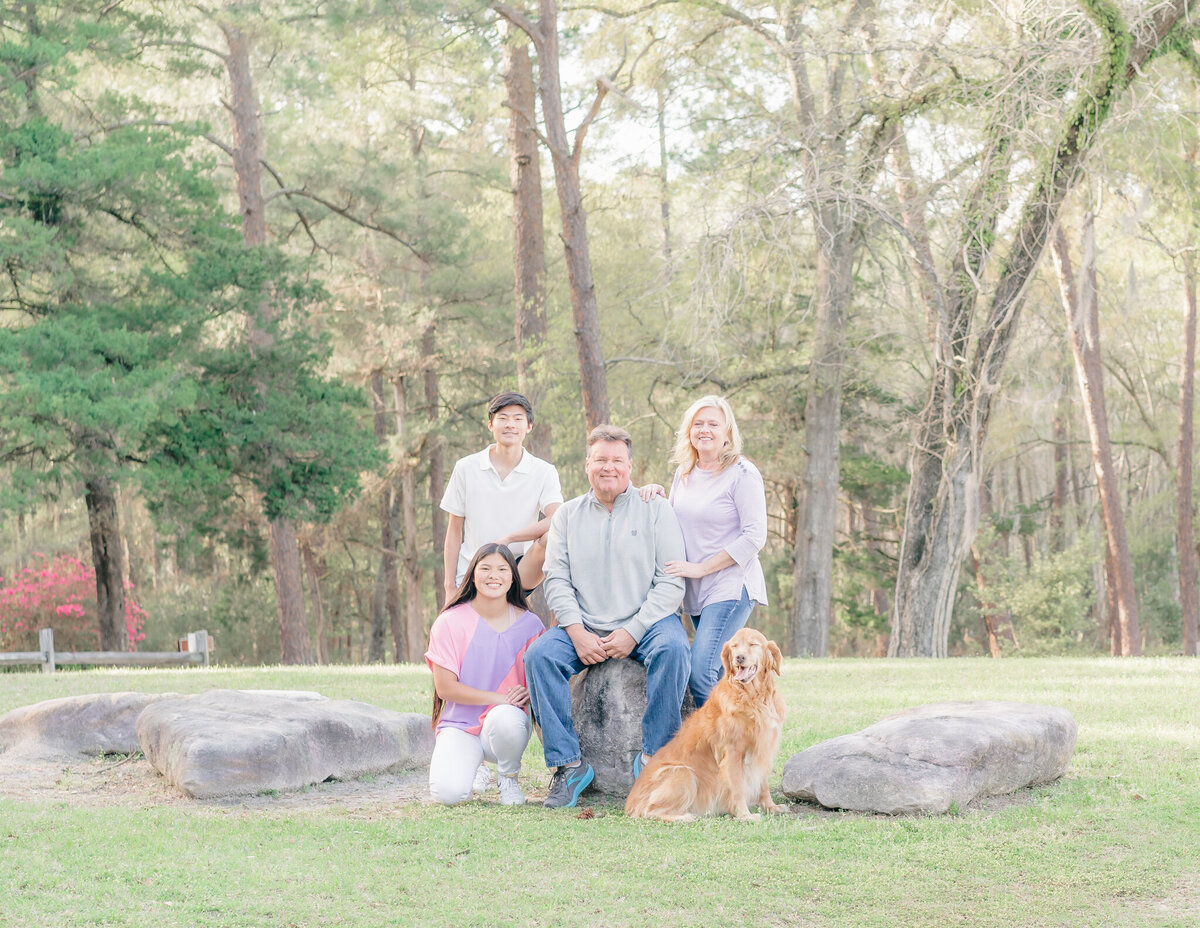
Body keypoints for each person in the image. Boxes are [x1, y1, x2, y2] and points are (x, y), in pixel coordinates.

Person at [524, 425, 689, 808]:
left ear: (630, 466)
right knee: (539, 657)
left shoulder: (655, 509)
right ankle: (568, 765)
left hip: (647, 620)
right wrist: (577, 632)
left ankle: (653, 760)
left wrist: (633, 631)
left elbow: (670, 581)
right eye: (601, 460)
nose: (608, 467)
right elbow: (557, 580)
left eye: (617, 460)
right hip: (586, 622)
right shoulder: (567, 516)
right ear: (587, 465)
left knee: (675, 650)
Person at [640, 395, 768, 708]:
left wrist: (702, 568)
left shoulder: (742, 474)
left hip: (730, 584)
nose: (705, 430)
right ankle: (746, 732)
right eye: (698, 424)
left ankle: (724, 751)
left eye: (713, 423)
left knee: (702, 673)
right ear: (689, 431)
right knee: (722, 673)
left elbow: (755, 537)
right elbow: (675, 521)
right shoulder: (684, 472)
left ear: (728, 433)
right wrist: (657, 496)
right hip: (695, 591)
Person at [425, 543, 545, 806]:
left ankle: (508, 777)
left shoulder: (531, 625)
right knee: (449, 795)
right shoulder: (450, 621)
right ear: (472, 574)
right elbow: (445, 688)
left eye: (502, 569)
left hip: (504, 724)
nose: (494, 575)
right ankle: (474, 765)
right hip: (460, 725)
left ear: (513, 577)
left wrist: (525, 694)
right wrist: (500, 697)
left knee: (508, 720)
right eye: (486, 568)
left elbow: (538, 685)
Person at [441, 392, 562, 600]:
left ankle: (558, 604)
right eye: (503, 418)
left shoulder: (544, 471)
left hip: (518, 569)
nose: (510, 425)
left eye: (518, 419)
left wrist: (510, 537)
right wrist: (449, 586)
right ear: (491, 425)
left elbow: (557, 518)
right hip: (473, 568)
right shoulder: (466, 467)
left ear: (529, 426)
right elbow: (454, 530)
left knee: (554, 535)